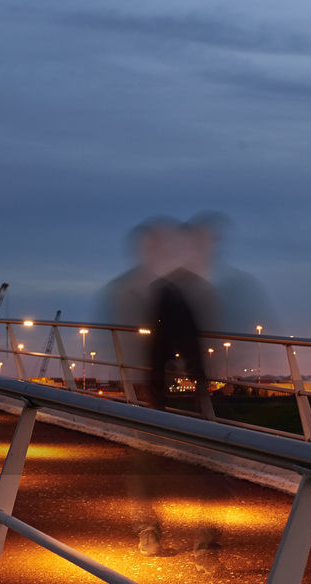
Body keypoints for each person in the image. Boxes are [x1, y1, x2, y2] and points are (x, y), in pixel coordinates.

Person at [97, 215, 265, 557]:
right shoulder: (168, 289)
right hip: (165, 391)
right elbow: (164, 343)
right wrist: (157, 386)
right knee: (164, 462)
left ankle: (200, 538)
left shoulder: (199, 287)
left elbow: (177, 342)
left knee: (205, 466)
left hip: (189, 390)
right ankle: (163, 532)